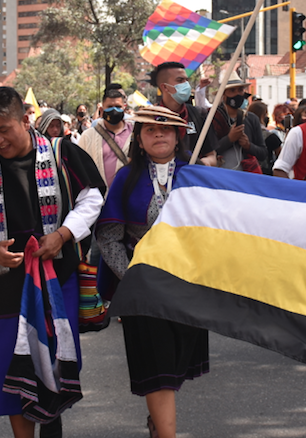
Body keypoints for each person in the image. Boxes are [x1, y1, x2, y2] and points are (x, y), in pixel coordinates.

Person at [0, 87, 104, 438]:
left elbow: (93, 196)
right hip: (6, 281)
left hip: (57, 278)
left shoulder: (61, 151)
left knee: (54, 360)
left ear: (25, 119)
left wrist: (64, 234)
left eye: (4, 129)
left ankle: (52, 428)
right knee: (14, 366)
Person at [95, 106, 209, 438]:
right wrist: (133, 278)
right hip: (143, 288)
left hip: (186, 285)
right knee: (157, 368)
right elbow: (109, 236)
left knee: (174, 366)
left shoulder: (195, 175)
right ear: (140, 140)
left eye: (166, 129)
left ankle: (158, 423)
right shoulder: (125, 178)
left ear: (178, 136)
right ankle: (166, 432)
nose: (158, 134)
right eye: (149, 130)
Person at [150, 62, 217, 163]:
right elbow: (135, 160)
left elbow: (212, 156)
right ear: (165, 87)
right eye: (180, 80)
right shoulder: (148, 118)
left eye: (187, 80)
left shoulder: (199, 114)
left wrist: (203, 164)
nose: (186, 85)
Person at [77, 86, 134, 189]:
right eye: (109, 106)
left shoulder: (135, 133)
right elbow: (79, 167)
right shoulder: (88, 136)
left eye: (118, 106)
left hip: (129, 197)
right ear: (102, 108)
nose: (114, 110)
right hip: (99, 200)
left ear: (124, 107)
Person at [211, 74, 267, 173]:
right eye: (232, 91)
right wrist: (229, 139)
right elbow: (207, 151)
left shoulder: (251, 118)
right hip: (219, 176)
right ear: (223, 96)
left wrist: (248, 145)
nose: (238, 94)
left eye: (240, 90)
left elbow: (263, 153)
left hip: (246, 177)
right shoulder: (212, 118)